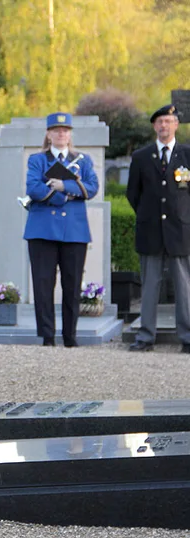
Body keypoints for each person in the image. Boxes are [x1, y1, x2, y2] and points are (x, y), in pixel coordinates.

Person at [23, 112, 100, 347]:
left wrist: (63, 185)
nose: (61, 133)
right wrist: (64, 196)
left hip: (74, 231)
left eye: (65, 130)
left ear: (70, 134)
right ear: (48, 134)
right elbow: (34, 188)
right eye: (56, 130)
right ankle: (47, 336)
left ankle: (70, 336)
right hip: (42, 230)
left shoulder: (83, 160)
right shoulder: (37, 159)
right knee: (43, 285)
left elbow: (93, 187)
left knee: (72, 284)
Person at [126, 104, 190, 352]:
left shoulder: (187, 155)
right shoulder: (141, 157)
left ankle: (186, 337)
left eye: (168, 121)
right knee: (150, 285)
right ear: (154, 126)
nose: (164, 125)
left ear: (176, 125)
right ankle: (145, 337)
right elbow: (133, 193)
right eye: (160, 121)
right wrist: (147, 215)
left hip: (180, 231)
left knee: (184, 287)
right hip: (150, 230)